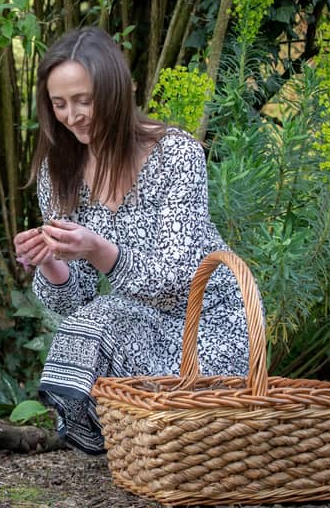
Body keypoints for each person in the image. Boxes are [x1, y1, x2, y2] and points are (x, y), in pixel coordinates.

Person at [13, 27, 249, 454]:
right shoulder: (59, 171)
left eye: (85, 100)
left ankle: (168, 441)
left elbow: (175, 279)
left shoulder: (176, 154)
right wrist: (49, 258)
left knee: (104, 317)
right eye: (59, 104)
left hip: (210, 326)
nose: (72, 116)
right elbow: (74, 301)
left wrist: (95, 248)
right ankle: (142, 448)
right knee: (90, 322)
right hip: (140, 325)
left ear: (116, 91)